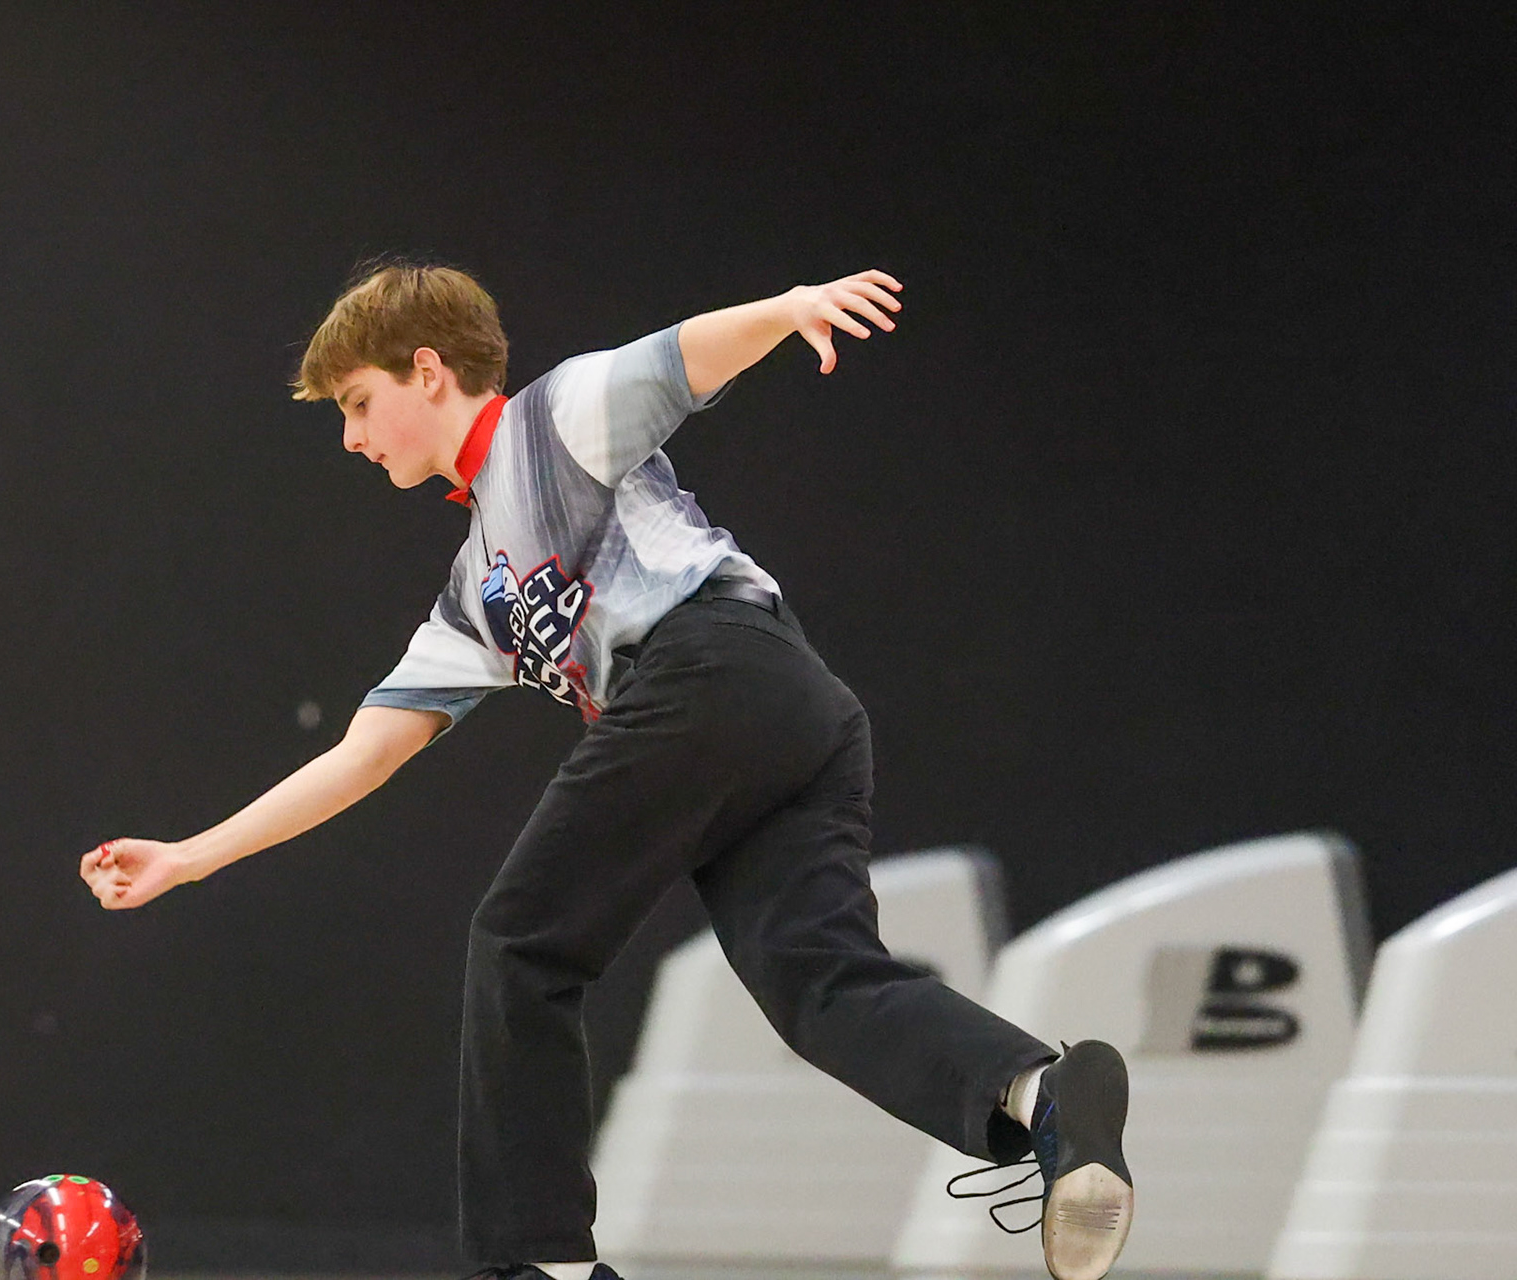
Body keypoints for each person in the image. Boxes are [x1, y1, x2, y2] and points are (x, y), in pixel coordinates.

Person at [79, 262, 1135, 1280]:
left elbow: (680, 361)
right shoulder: (475, 594)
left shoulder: (554, 418)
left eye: (359, 403)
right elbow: (361, 753)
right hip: (795, 709)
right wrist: (189, 856)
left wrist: (788, 307)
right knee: (819, 985)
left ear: (429, 368)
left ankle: (538, 1258)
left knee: (521, 940)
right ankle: (1045, 1092)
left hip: (709, 664)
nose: (352, 439)